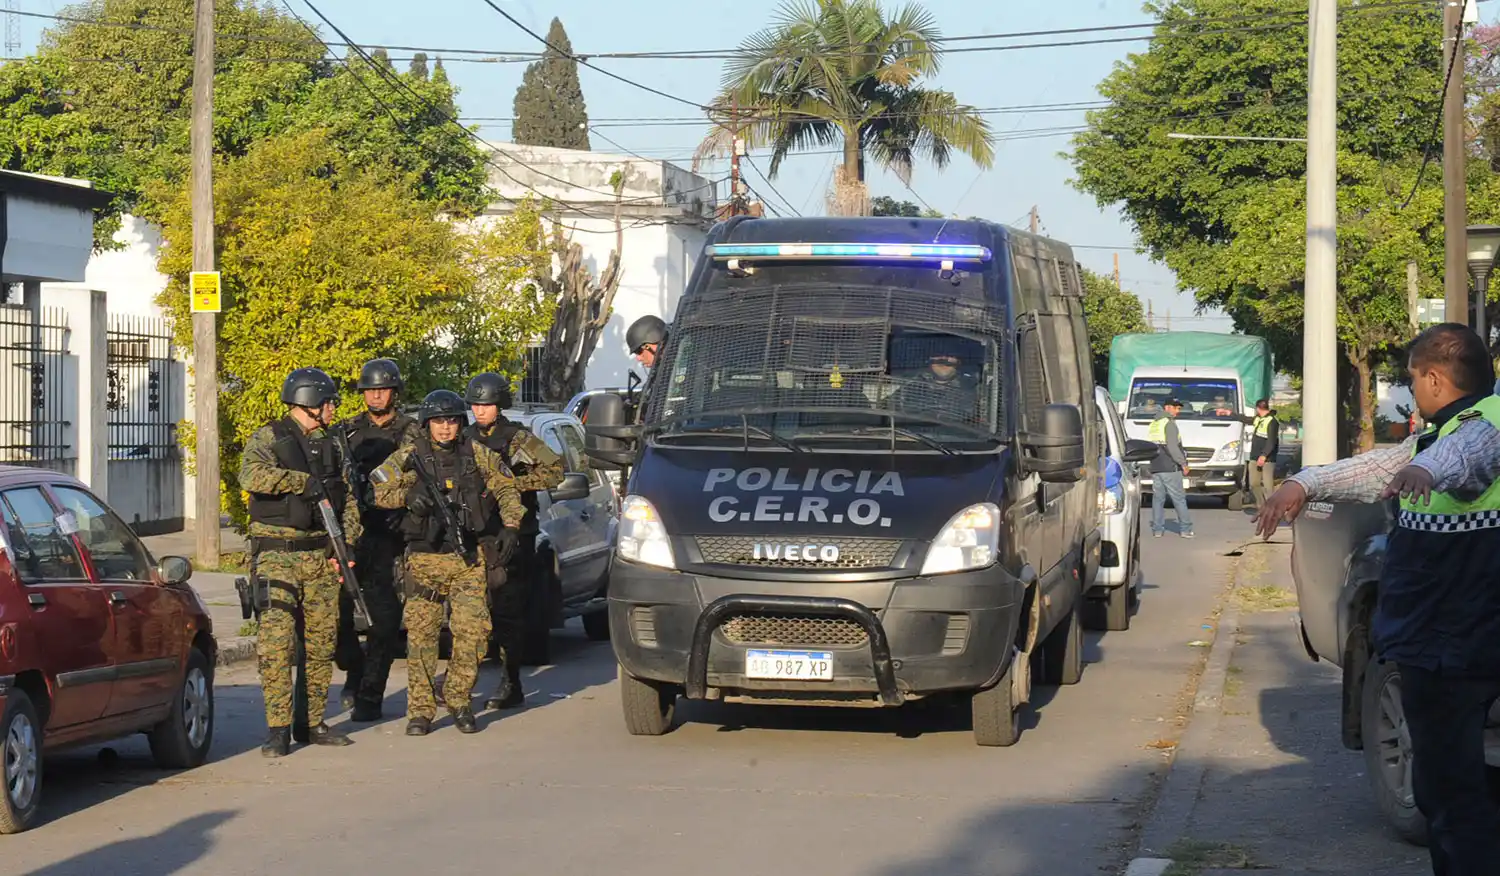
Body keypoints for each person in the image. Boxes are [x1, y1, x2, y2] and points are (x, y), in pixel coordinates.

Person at [1255, 323, 1500, 875]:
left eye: (1413, 379)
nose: (1413, 390)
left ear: (1433, 378)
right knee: (1444, 787)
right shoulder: (1439, 433)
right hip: (1442, 638)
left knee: (1452, 795)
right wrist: (1305, 483)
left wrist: (1427, 469)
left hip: (1459, 639)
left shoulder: (1483, 427)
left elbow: (1467, 456)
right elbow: (1377, 469)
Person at [369, 389, 526, 736]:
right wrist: (408, 496)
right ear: (427, 424)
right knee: (421, 639)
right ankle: (420, 711)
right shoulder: (409, 455)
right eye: (438, 421)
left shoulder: (476, 453)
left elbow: (506, 488)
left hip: (467, 559)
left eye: (451, 421)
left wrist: (512, 526)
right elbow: (376, 490)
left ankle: (458, 698)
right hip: (425, 560)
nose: (445, 428)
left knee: (474, 634)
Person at [240, 367, 362, 757]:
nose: (333, 409)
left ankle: (311, 722)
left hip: (320, 554)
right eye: (328, 403)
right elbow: (250, 476)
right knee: (276, 644)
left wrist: (347, 546)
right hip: (277, 555)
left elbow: (349, 498)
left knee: (321, 643)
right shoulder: (269, 437)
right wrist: (299, 482)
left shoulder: (333, 445)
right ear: (311, 402)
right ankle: (278, 729)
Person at [464, 372, 565, 711]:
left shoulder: (518, 438)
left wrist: (512, 484)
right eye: (475, 405)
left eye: (487, 404)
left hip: (514, 533)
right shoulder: (465, 439)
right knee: (472, 610)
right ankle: (462, 681)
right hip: (477, 531)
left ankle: (511, 681)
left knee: (508, 608)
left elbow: (554, 471)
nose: (480, 410)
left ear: (500, 405)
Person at [333, 357, 420, 722]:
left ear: (394, 392)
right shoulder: (346, 431)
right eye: (370, 390)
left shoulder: (412, 432)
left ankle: (370, 694)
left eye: (383, 389)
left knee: (384, 620)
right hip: (349, 533)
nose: (376, 396)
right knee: (335, 615)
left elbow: (420, 478)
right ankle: (353, 666)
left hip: (390, 535)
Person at [1147, 398, 1194, 538]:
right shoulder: (1169, 424)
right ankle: (1186, 529)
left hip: (1156, 466)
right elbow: (1173, 447)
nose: (1177, 411)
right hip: (1170, 467)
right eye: (1175, 408)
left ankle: (1157, 530)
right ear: (1167, 407)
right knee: (1179, 499)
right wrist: (1183, 463)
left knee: (1158, 499)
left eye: (1179, 408)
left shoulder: (1155, 423)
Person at [1245, 399, 1279, 509]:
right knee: (1253, 483)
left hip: (1268, 459)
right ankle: (1261, 505)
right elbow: (1246, 419)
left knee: (1268, 485)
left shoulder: (1272, 421)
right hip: (1255, 456)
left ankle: (1271, 508)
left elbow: (1271, 441)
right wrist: (1230, 414)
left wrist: (1264, 455)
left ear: (1258, 408)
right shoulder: (1258, 418)